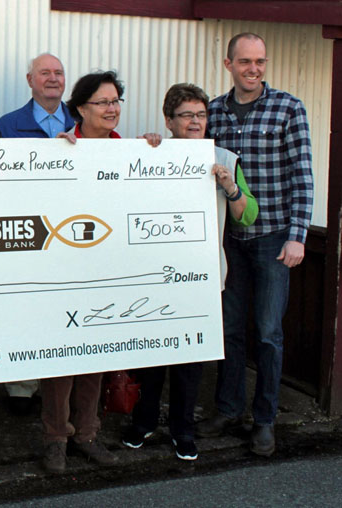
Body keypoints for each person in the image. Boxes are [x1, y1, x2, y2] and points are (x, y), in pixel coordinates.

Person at [122, 83, 258, 461]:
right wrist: (141, 149)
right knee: (150, 358)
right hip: (153, 275)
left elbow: (248, 214)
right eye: (186, 115)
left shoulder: (225, 159)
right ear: (169, 120)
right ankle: (144, 421)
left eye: (201, 114)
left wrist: (229, 187)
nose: (195, 121)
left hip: (201, 279)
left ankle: (183, 430)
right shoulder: (150, 153)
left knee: (189, 361)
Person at [196, 33, 314, 457]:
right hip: (230, 240)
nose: (254, 69)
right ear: (228, 64)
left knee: (267, 333)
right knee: (229, 330)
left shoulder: (289, 108)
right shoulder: (213, 111)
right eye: (245, 61)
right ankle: (227, 409)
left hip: (273, 239)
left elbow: (302, 175)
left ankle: (265, 420)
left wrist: (298, 235)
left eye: (260, 61)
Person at [39, 70, 128, 473]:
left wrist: (157, 153)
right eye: (102, 102)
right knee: (60, 359)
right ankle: (56, 437)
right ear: (80, 109)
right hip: (64, 269)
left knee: (96, 352)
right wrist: (55, 158)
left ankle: (88, 434)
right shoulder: (59, 148)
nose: (111, 110)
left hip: (106, 269)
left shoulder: (130, 151)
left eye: (115, 102)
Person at [0, 53, 75, 415]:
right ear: (30, 80)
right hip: (26, 235)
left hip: (72, 233)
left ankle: (58, 386)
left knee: (63, 308)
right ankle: (22, 388)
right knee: (23, 307)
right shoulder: (8, 126)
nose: (53, 78)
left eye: (58, 73)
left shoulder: (82, 121)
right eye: (45, 73)